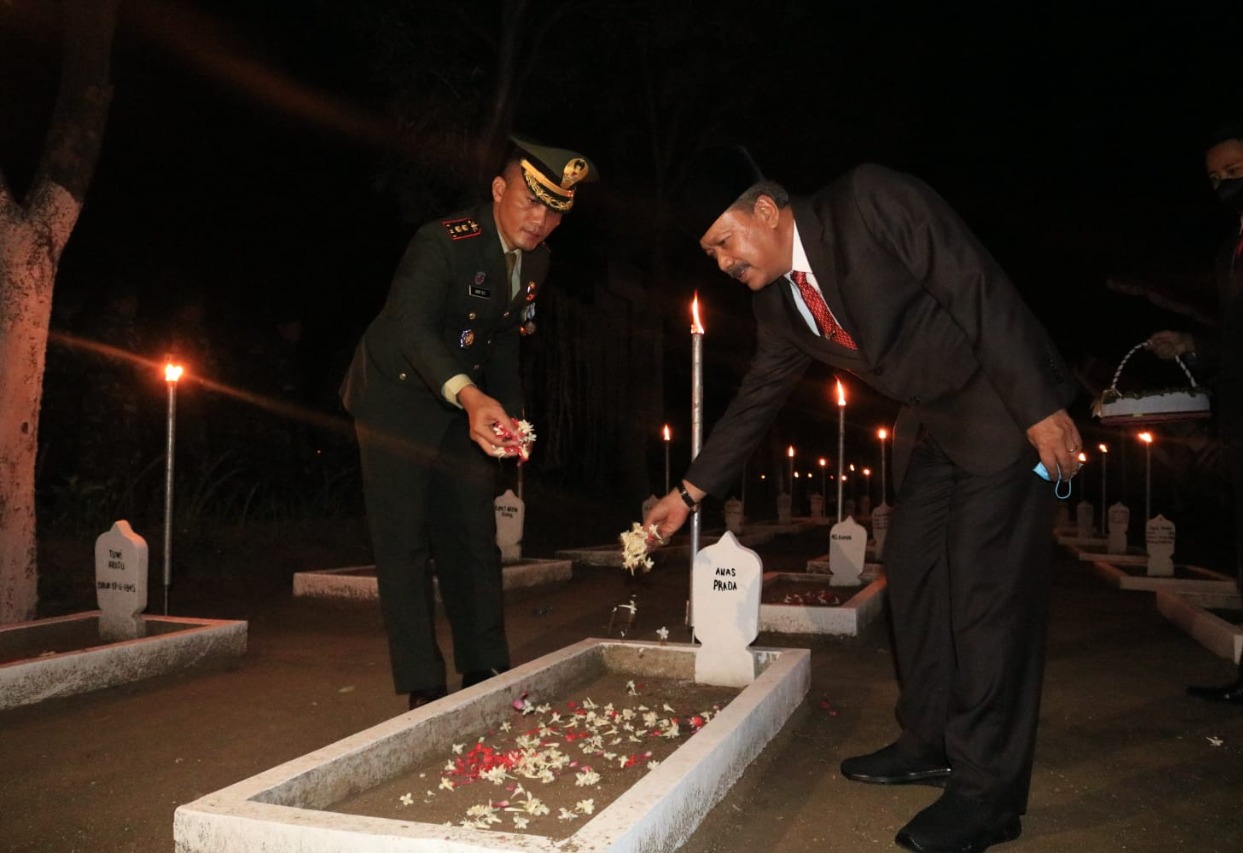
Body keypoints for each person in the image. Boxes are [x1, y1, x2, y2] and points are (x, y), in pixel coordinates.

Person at [643, 147, 1081, 853]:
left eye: (724, 242)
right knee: (913, 572)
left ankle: (987, 795)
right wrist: (687, 493)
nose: (722, 262)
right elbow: (757, 399)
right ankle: (929, 740)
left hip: (1003, 409)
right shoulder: (778, 303)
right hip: (935, 429)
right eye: (711, 254)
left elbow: (974, 284)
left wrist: (1038, 406)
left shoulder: (871, 203)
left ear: (766, 209)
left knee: (986, 595)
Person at [341, 136, 596, 711]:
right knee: (404, 540)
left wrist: (513, 418)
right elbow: (410, 326)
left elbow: (503, 340)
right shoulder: (443, 241)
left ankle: (485, 666)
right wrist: (472, 396)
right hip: (395, 398)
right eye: (531, 202)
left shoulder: (537, 260)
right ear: (499, 190)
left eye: (555, 210)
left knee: (473, 533)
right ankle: (423, 684)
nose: (541, 220)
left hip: (468, 402)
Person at [1147, 117, 1243, 725]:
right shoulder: (1233, 249)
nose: (1224, 183)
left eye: (1235, 170)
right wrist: (1193, 346)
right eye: (1214, 176)